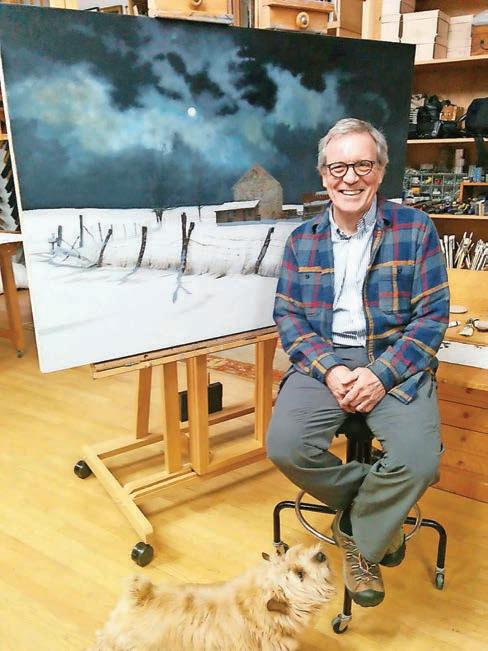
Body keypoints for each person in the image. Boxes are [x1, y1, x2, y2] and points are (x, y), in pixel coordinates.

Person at [267, 118, 449, 608]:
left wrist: (380, 374)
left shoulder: (415, 229)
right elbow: (288, 316)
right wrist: (329, 368)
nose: (350, 178)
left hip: (394, 356)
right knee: (285, 446)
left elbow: (432, 317)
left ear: (381, 170)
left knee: (419, 462)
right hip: (324, 359)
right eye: (338, 167)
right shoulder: (302, 239)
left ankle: (357, 530)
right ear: (324, 175)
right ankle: (378, 514)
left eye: (363, 165)